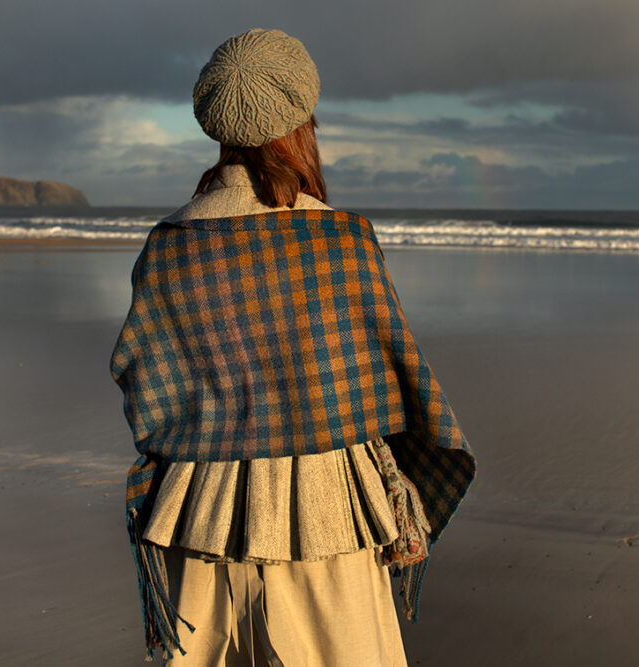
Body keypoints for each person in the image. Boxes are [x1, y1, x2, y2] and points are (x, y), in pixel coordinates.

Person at [111, 28, 475, 665]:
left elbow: (143, 381)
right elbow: (395, 376)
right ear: (301, 120)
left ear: (218, 123)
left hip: (200, 515)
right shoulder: (342, 242)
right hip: (329, 511)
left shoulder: (168, 246)